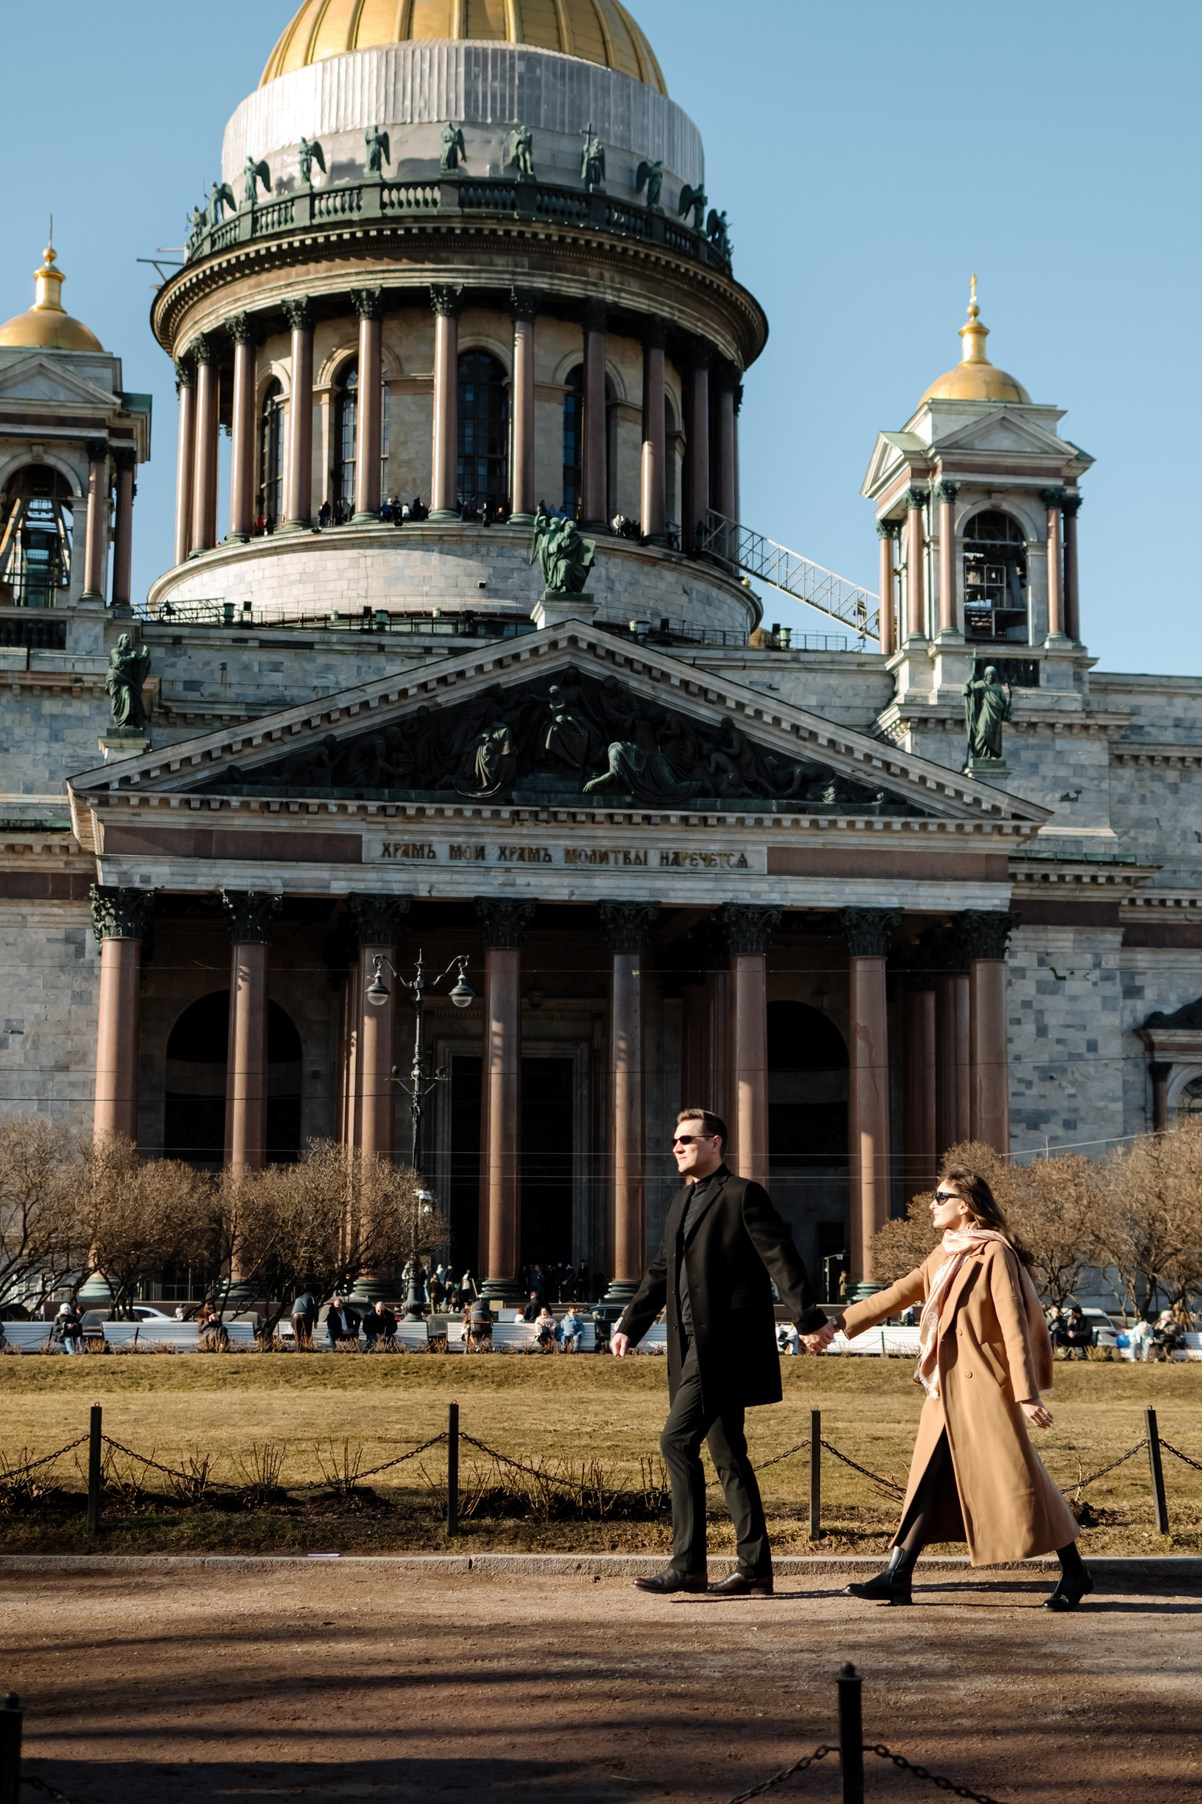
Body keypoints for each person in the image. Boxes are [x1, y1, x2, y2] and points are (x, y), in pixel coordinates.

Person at [829, 1168, 1090, 1611]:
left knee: (1020, 1478)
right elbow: (896, 1294)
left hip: (985, 1386)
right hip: (945, 1390)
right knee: (928, 1480)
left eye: (940, 1196)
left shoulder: (993, 1254)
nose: (931, 1203)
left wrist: (1026, 1394)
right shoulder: (945, 1254)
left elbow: (1014, 1326)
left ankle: (1075, 1571)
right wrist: (836, 1323)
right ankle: (898, 1574)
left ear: (964, 1205)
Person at [613, 1107, 828, 1597]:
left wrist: (809, 1319)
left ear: (716, 1144)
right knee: (729, 1455)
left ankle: (688, 1564)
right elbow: (660, 1271)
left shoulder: (743, 1195)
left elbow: (781, 1258)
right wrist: (631, 1322)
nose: (676, 1147)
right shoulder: (680, 1203)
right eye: (674, 1140)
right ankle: (755, 1569)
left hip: (724, 1347)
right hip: (687, 1345)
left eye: (687, 1139)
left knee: (675, 1441)